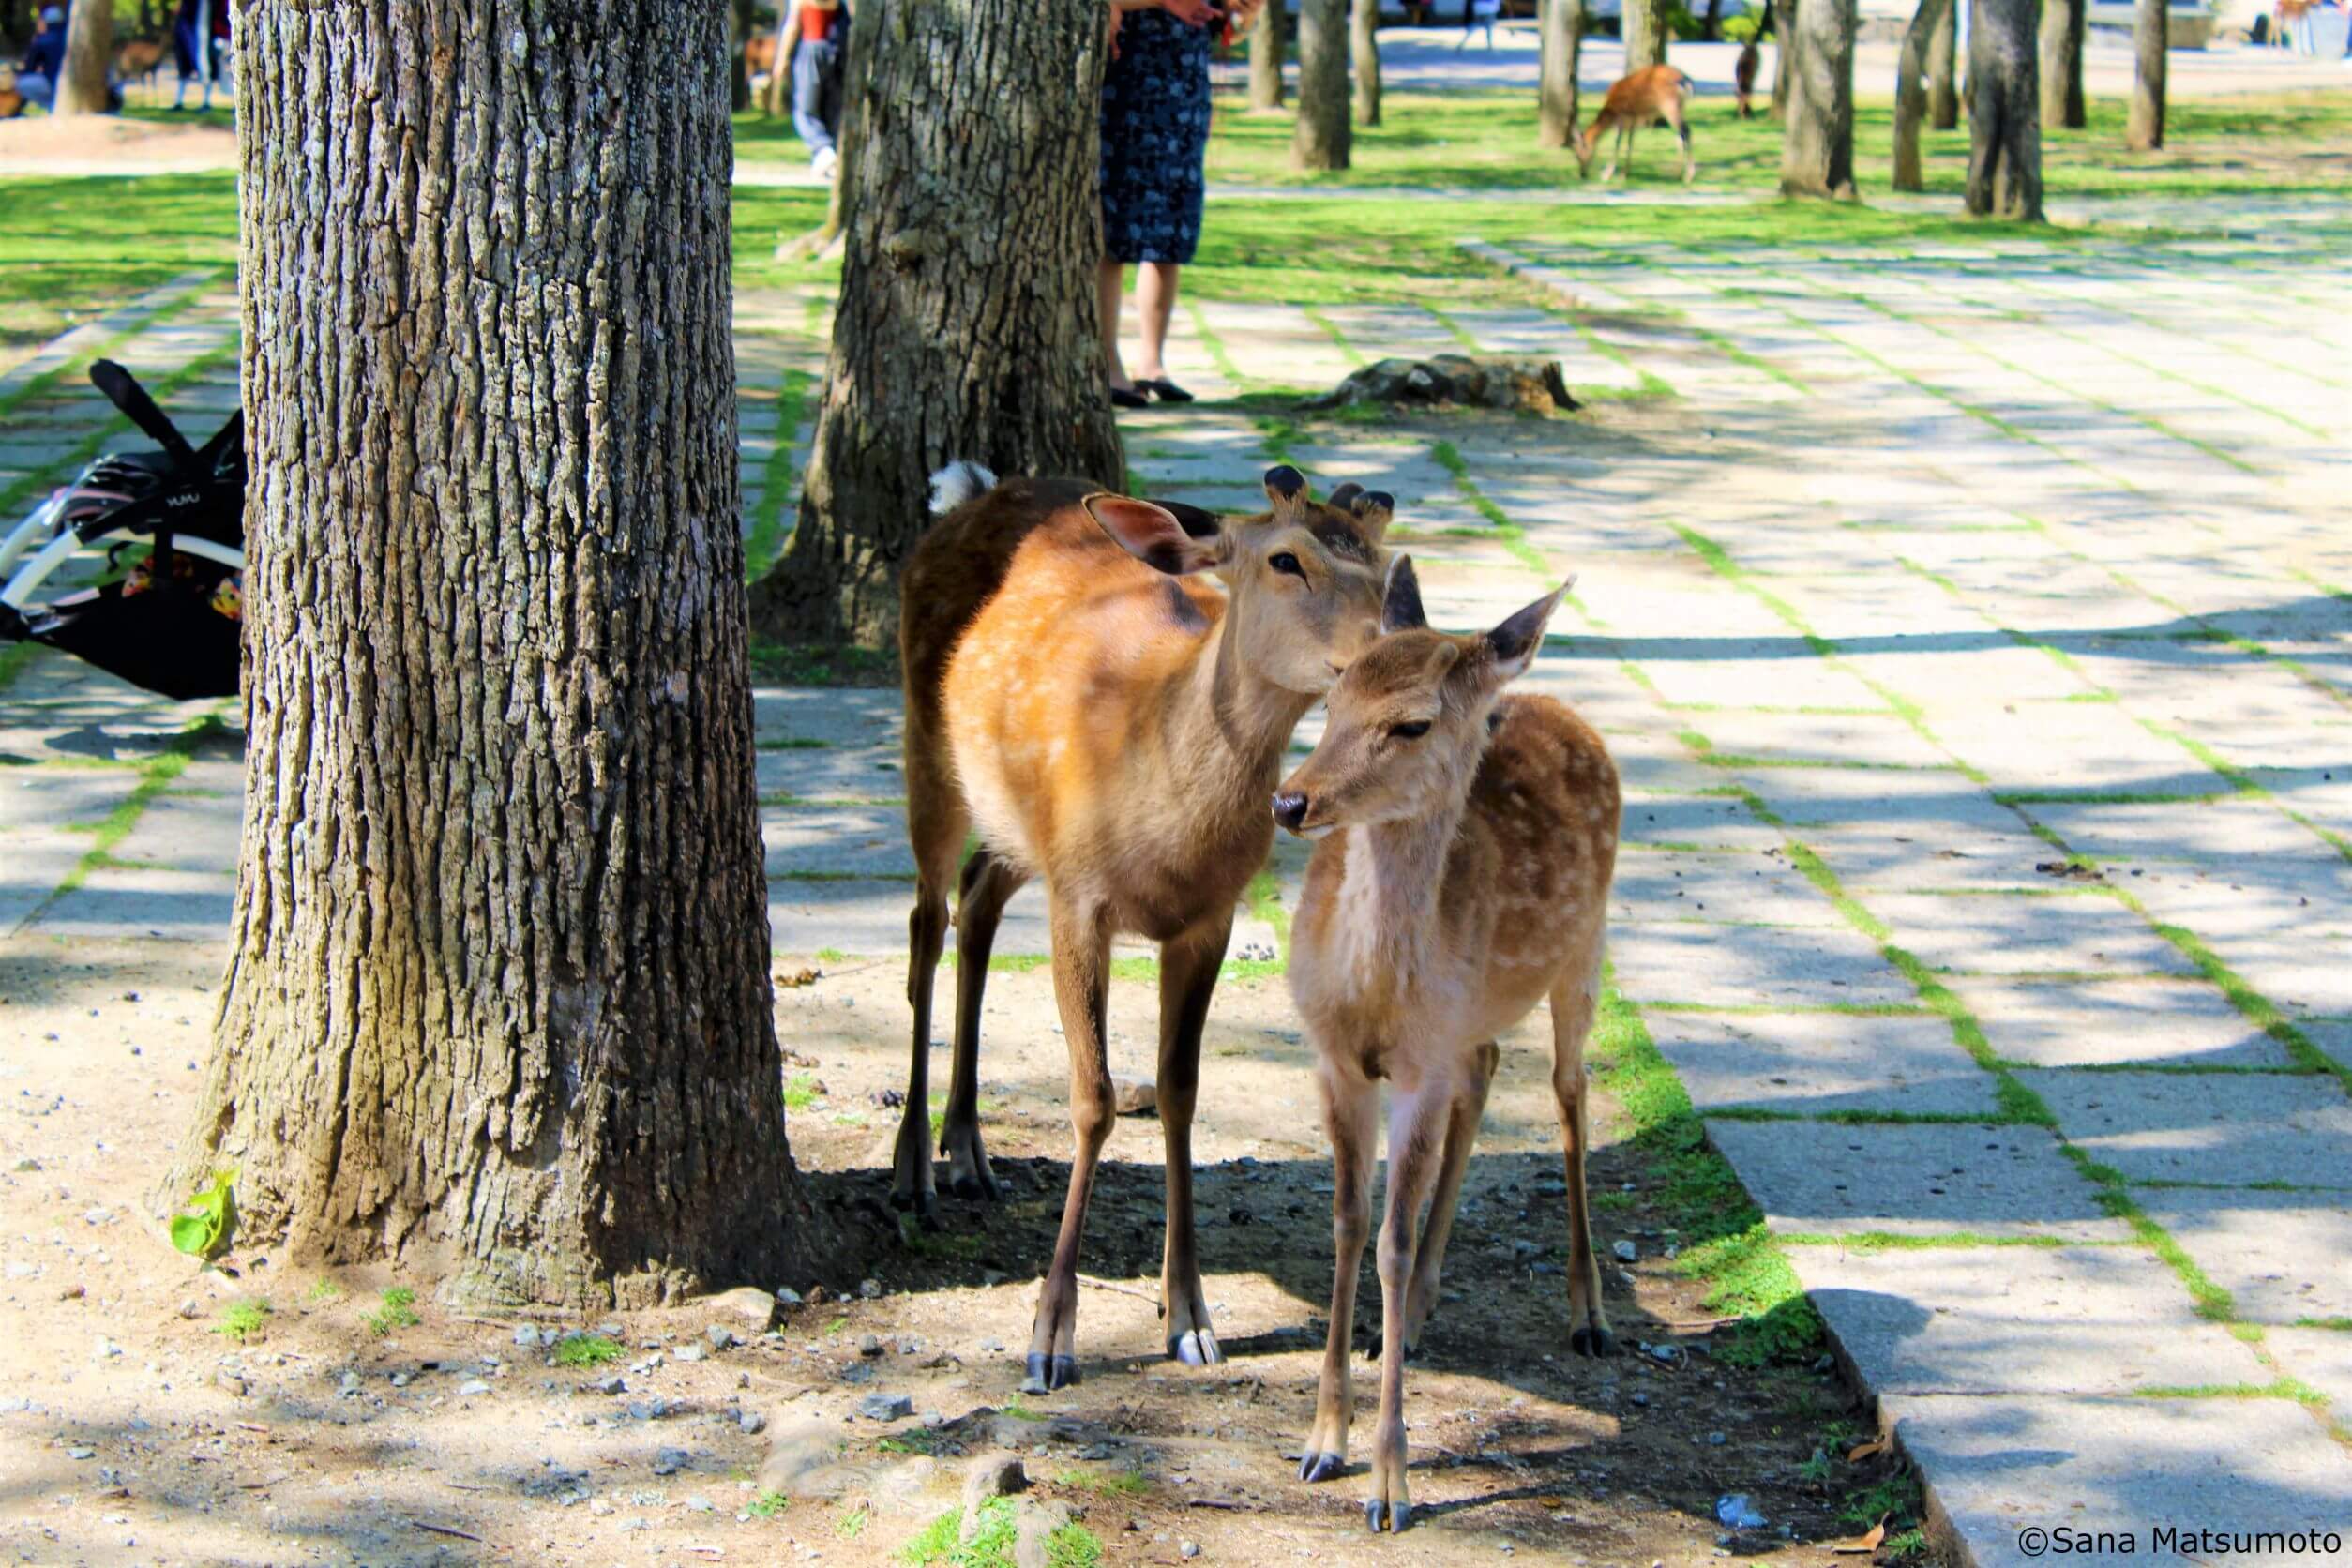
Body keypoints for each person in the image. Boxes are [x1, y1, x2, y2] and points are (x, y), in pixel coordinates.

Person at [1099, 0, 1259, 408]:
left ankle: (1152, 363)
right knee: (1111, 231)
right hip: (1128, 82)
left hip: (1183, 90)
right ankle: (1107, 363)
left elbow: (1226, 27)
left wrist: (1245, 14)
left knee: (1171, 229)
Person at [776, 0, 848, 180]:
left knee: (805, 108)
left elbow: (793, 25)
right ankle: (829, 155)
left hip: (812, 47)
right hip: (837, 50)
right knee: (831, 107)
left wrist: (782, 58)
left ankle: (822, 149)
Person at [15, 6, 66, 112]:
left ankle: (51, 106)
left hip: (52, 84)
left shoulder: (41, 41)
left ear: (45, 22)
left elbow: (29, 69)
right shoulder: (70, 39)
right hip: (71, 85)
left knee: (20, 84)